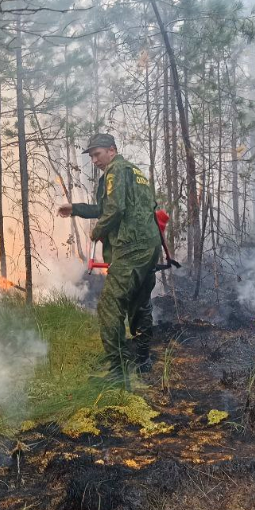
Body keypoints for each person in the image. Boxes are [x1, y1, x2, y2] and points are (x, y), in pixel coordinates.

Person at [58, 133, 162, 378]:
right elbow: (112, 207)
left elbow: (115, 209)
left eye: (97, 154)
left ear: (112, 150)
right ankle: (143, 361)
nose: (94, 160)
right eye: (92, 156)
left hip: (131, 249)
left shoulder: (115, 171)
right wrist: (75, 209)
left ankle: (118, 370)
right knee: (140, 304)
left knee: (108, 307)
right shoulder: (134, 172)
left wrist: (98, 231)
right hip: (148, 248)